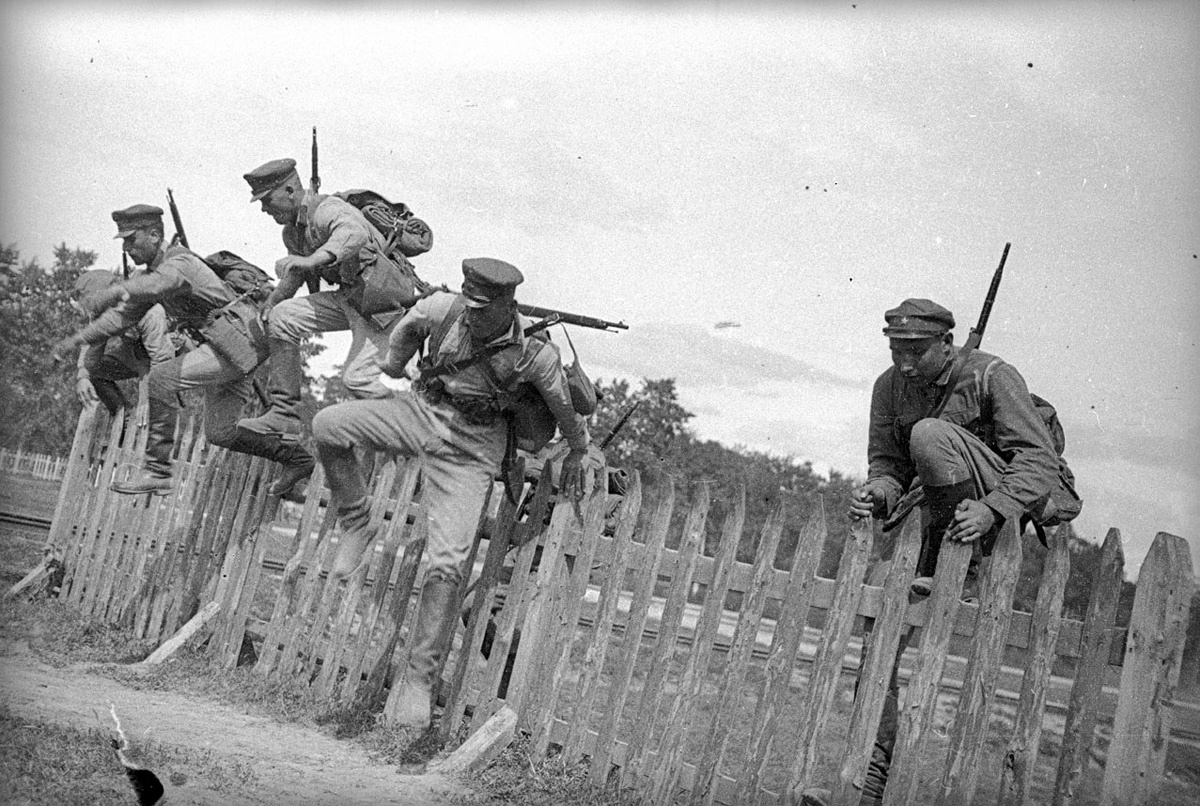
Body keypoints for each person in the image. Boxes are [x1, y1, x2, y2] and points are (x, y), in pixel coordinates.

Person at [798, 297, 1081, 806]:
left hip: (994, 509)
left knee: (930, 433)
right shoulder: (889, 387)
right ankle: (868, 784)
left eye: (917, 351)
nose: (905, 363)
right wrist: (877, 493)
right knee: (878, 631)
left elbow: (1038, 461)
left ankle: (964, 568)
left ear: (947, 344)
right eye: (896, 350)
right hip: (930, 519)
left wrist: (993, 508)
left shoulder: (993, 375)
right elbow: (888, 464)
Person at [310, 257, 591, 729]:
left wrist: (580, 450)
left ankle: (418, 682)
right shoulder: (443, 308)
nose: (473, 314)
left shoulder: (535, 355)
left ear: (508, 305)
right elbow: (403, 334)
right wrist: (393, 366)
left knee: (448, 564)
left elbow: (566, 409)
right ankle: (357, 519)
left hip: (473, 449)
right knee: (328, 426)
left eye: (483, 308)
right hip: (422, 413)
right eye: (470, 304)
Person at [51, 204, 314, 497]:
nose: (127, 248)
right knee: (221, 433)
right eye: (123, 241)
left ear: (154, 235)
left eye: (131, 239)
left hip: (240, 341)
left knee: (162, 378)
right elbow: (119, 318)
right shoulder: (153, 275)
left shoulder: (178, 264)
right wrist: (76, 339)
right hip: (225, 346)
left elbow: (160, 283)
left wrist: (115, 290)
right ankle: (297, 459)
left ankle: (158, 471)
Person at [235, 158, 433, 449]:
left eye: (267, 199)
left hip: (383, 305)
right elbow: (296, 275)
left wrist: (310, 259)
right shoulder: (292, 232)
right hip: (351, 299)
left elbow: (353, 234)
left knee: (356, 379)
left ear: (290, 189)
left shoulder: (326, 209)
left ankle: (418, 427)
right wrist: (269, 305)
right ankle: (283, 413)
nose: (264, 209)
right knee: (283, 316)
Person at [70, 269, 175, 417]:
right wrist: (83, 376)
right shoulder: (101, 312)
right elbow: (91, 352)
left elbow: (162, 358)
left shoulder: (147, 309)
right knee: (94, 373)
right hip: (139, 354)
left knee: (156, 411)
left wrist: (148, 399)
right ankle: (124, 419)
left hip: (174, 351)